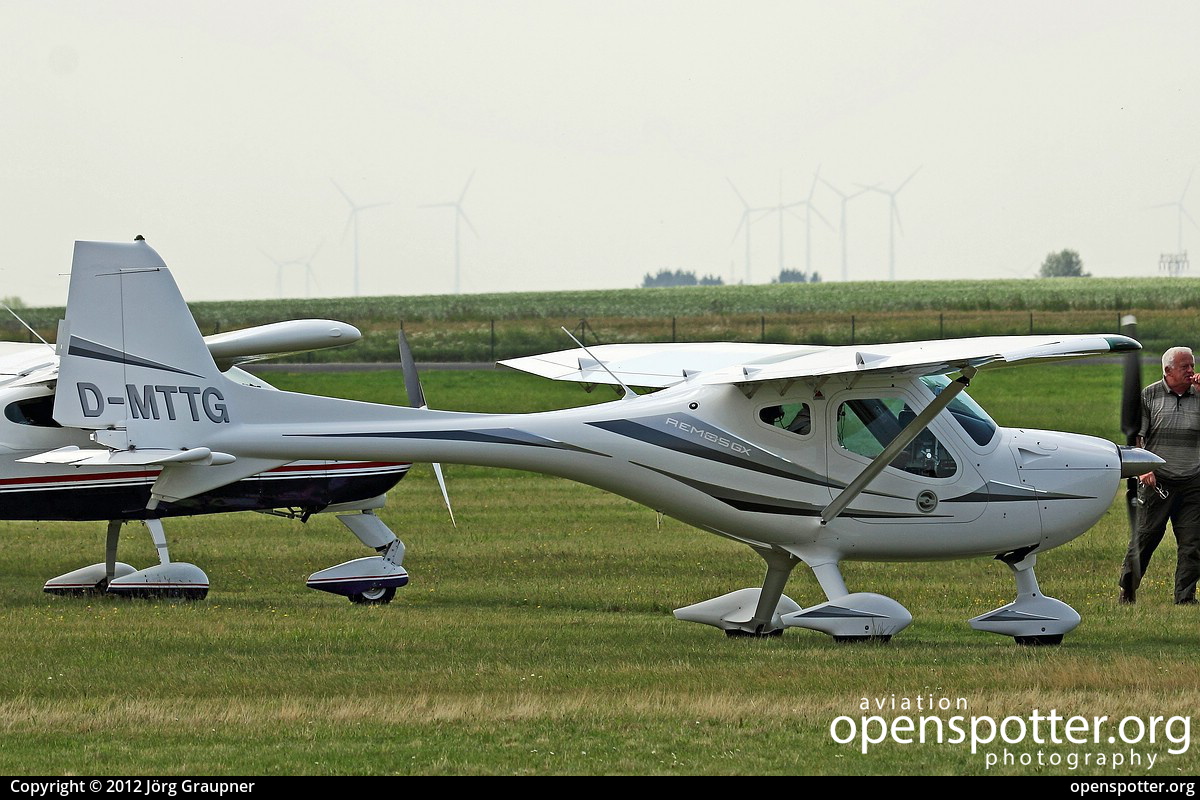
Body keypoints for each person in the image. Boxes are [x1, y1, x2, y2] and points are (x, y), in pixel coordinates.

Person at [1119, 346, 1200, 604]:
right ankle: (1128, 590)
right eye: (1184, 366)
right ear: (1167, 371)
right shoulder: (1149, 395)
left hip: (1192, 481)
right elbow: (1137, 436)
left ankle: (1185, 598)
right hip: (1158, 482)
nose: (1191, 371)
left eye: (1192, 365)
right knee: (1145, 538)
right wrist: (1144, 468)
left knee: (1192, 544)